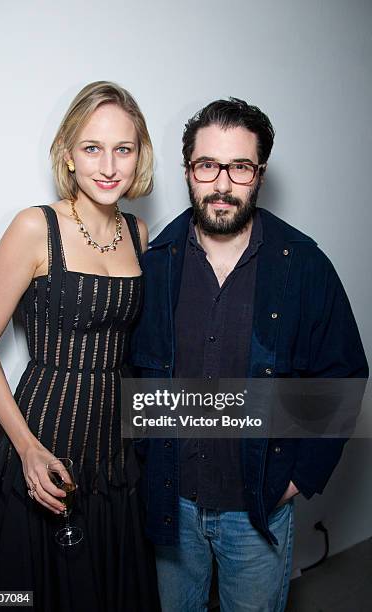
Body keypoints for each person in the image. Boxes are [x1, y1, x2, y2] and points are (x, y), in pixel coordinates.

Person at [129, 98, 368, 611]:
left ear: (258, 173)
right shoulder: (155, 263)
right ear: (188, 169)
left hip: (258, 510)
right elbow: (133, 374)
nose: (221, 184)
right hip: (173, 504)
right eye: (207, 165)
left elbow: (344, 374)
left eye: (239, 167)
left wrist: (300, 477)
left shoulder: (303, 265)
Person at [0, 81, 160, 612]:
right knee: (23, 596)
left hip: (116, 451)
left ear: (139, 153)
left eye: (124, 148)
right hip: (45, 438)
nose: (109, 165)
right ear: (68, 154)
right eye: (92, 148)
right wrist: (26, 450)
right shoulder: (35, 227)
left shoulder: (140, 233)